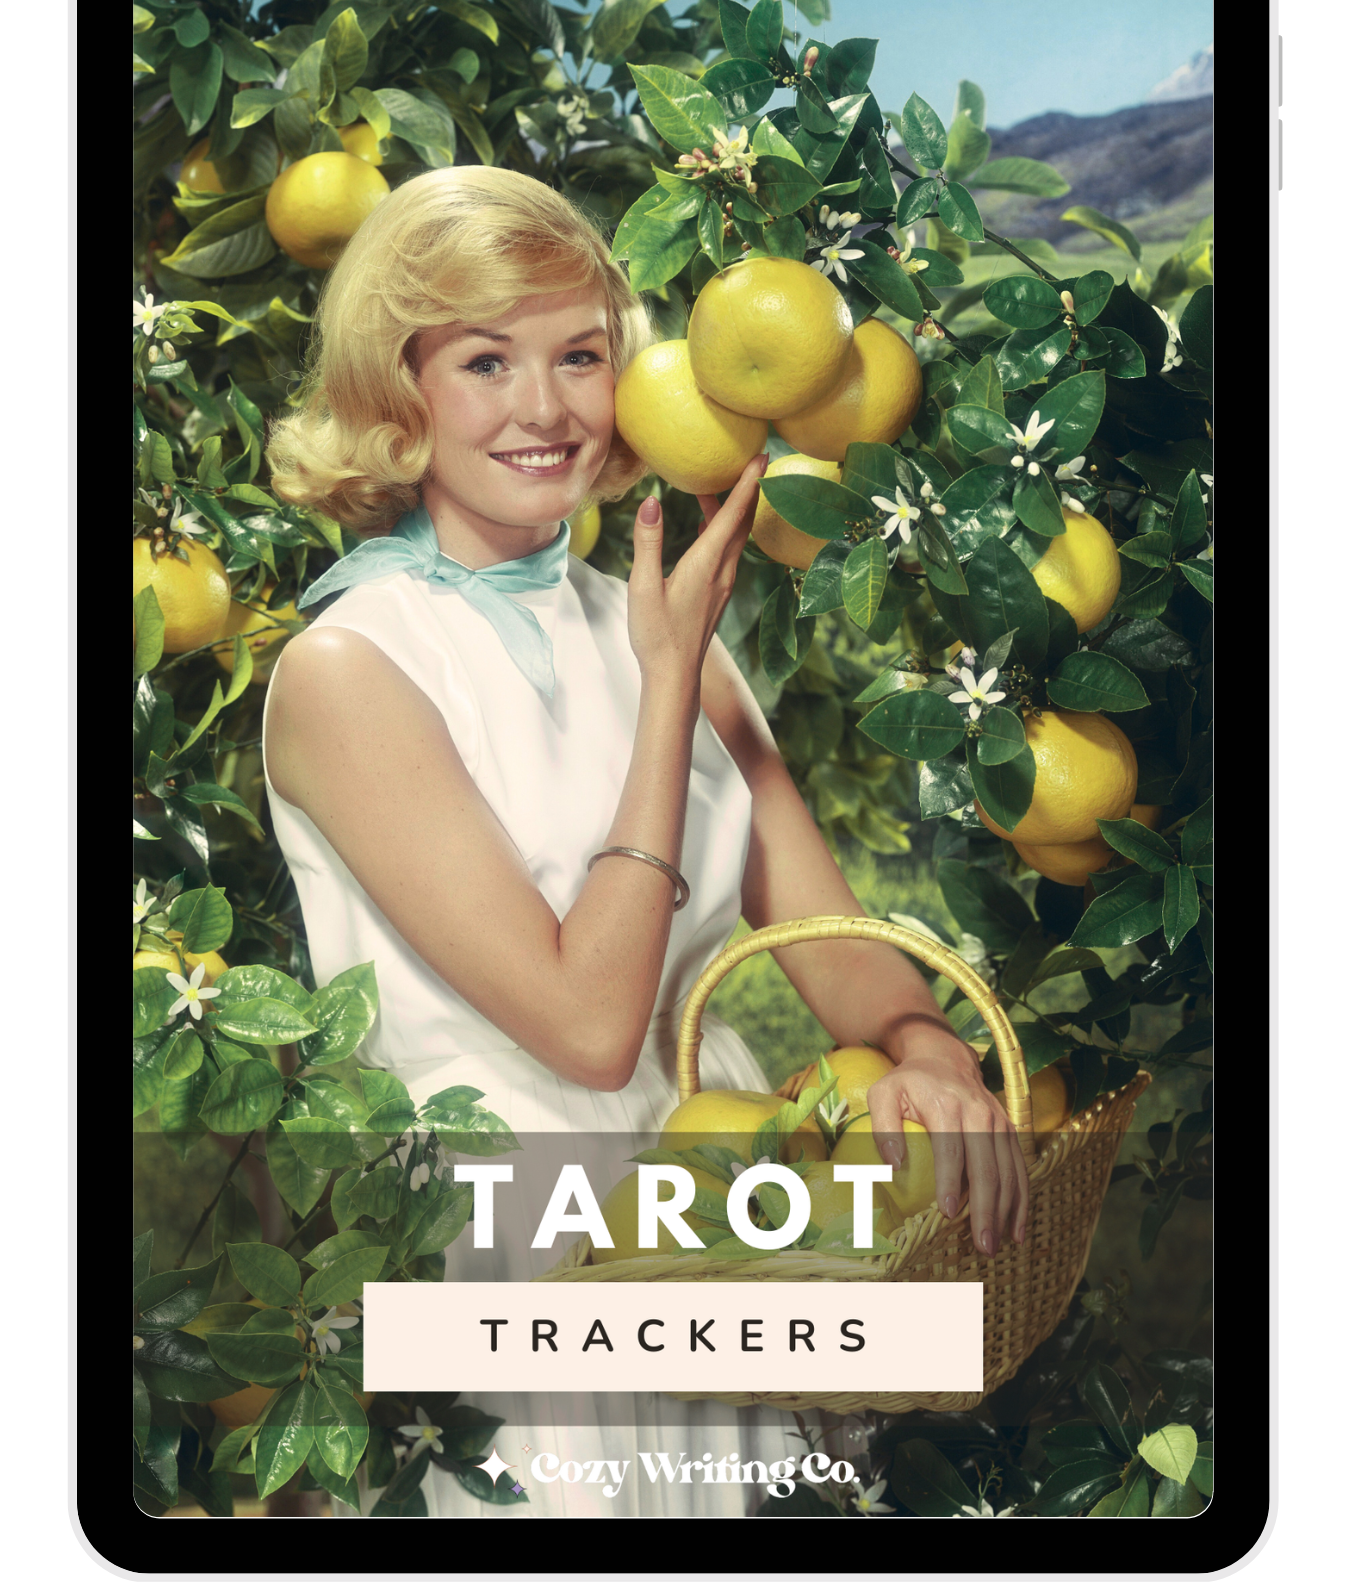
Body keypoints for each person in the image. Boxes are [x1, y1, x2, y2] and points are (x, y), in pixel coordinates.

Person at [263, 165, 1029, 1519]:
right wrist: (668, 676)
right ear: (401, 388)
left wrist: (924, 1053)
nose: (544, 407)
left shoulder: (658, 619)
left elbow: (838, 952)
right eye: (485, 360)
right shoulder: (351, 668)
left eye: (580, 356)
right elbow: (585, 1026)